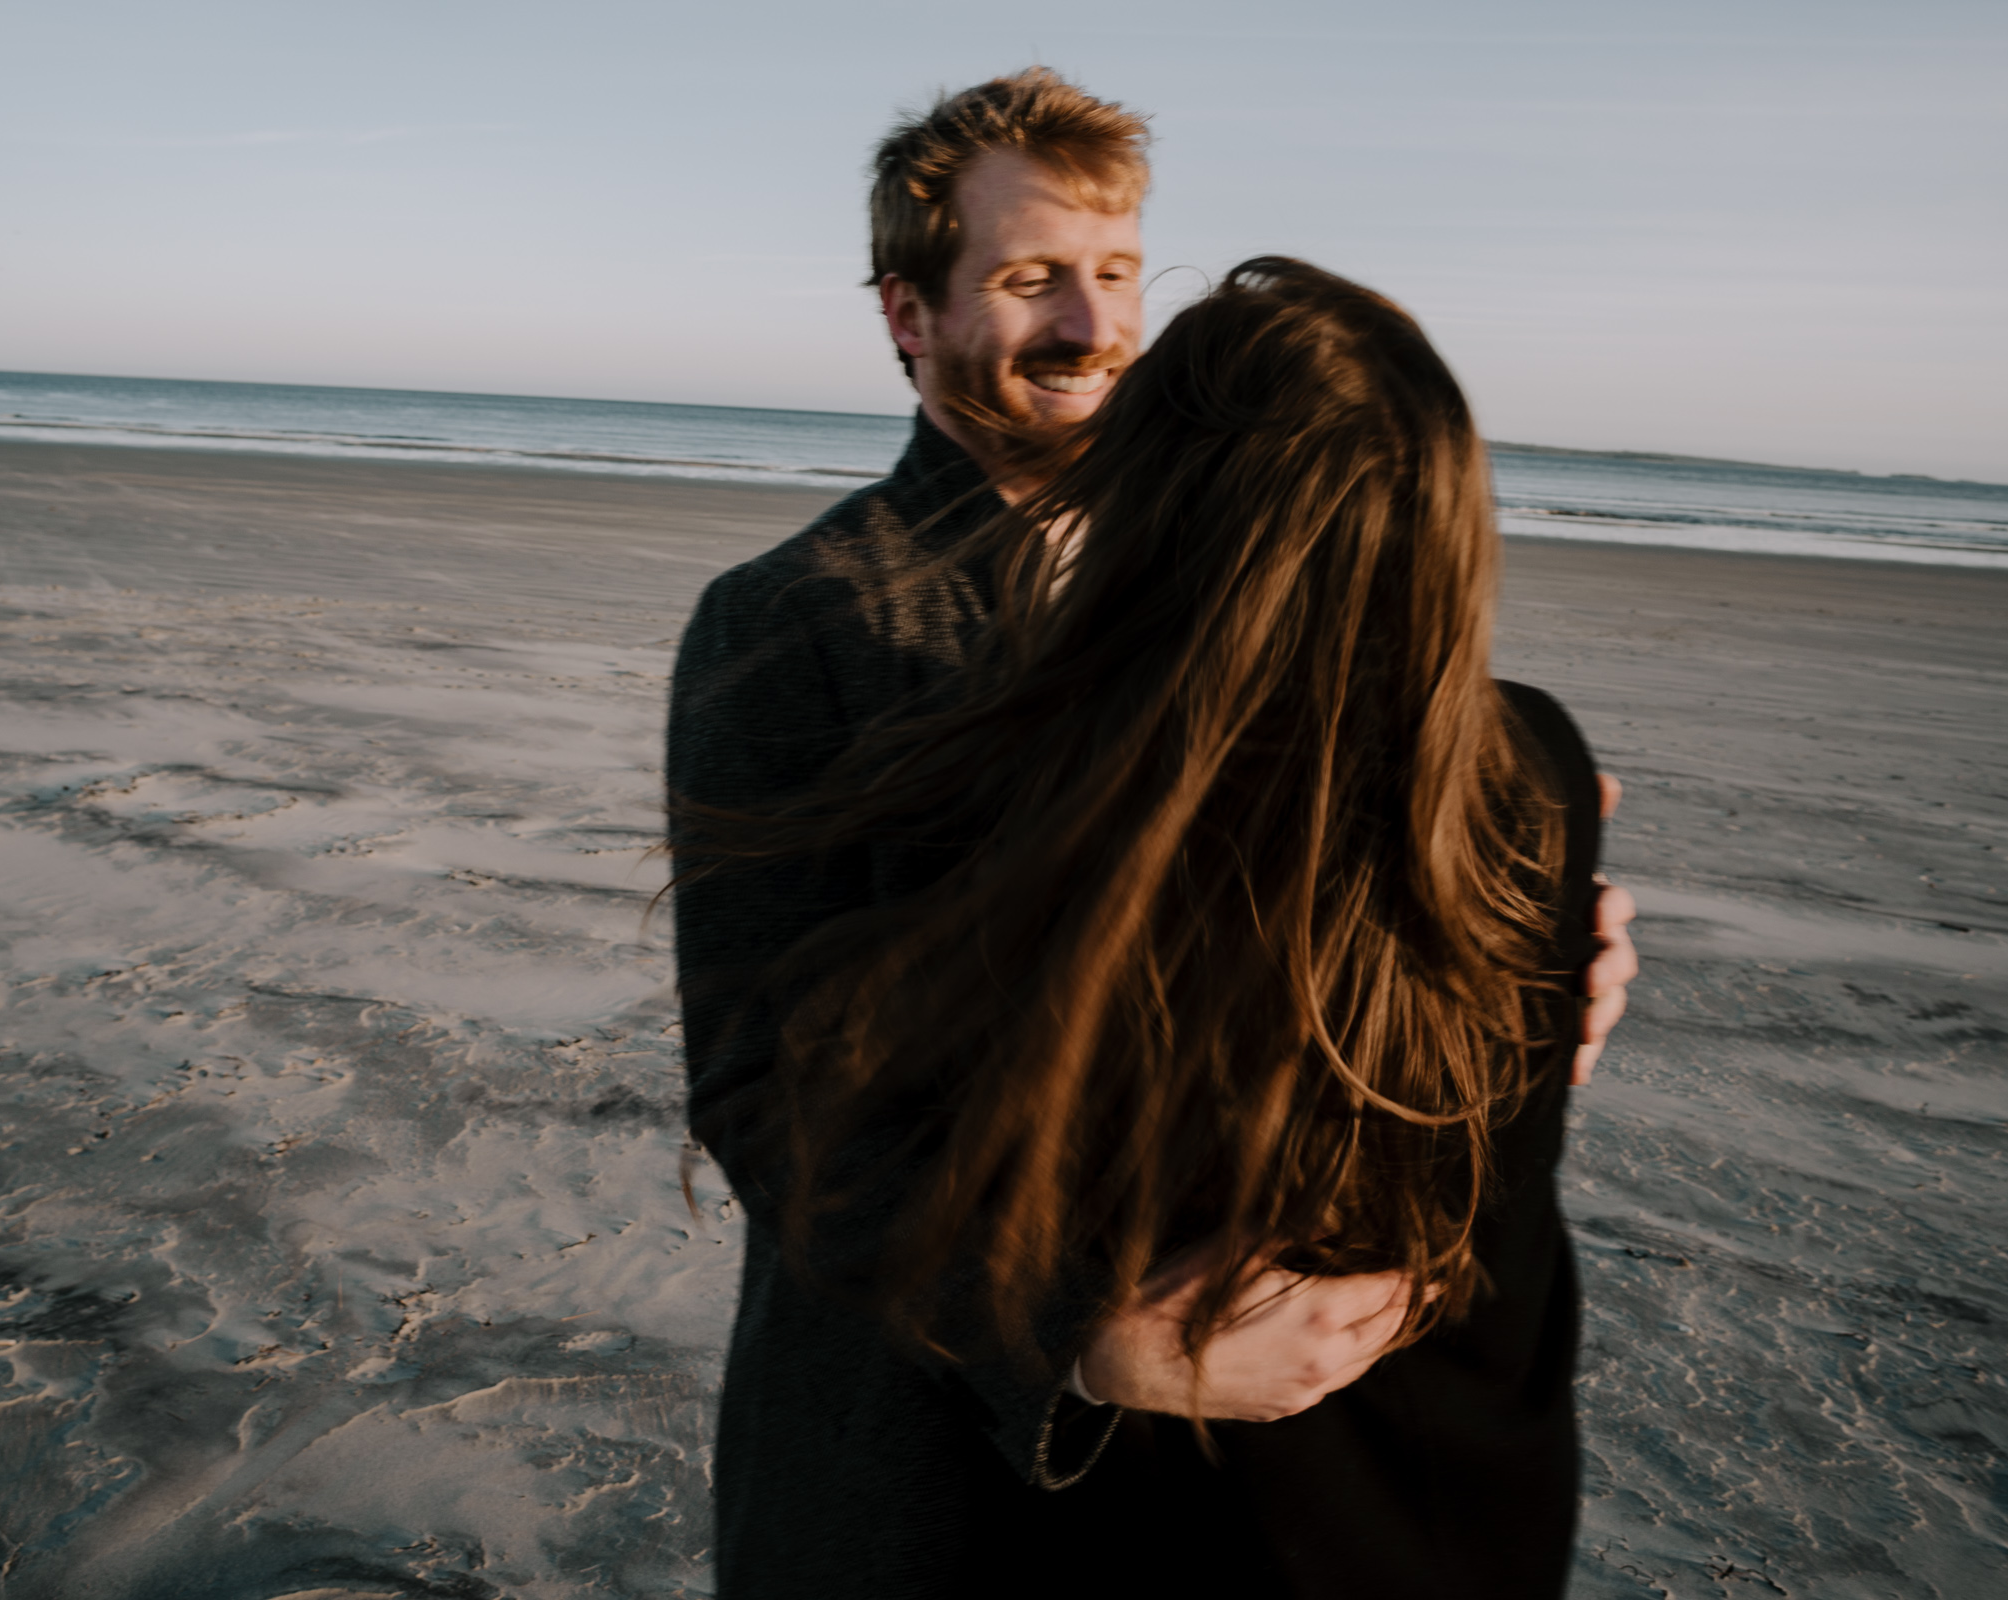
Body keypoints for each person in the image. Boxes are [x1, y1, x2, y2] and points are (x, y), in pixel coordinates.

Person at [666, 71, 1636, 1600]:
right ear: (907, 315)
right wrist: (1078, 1343)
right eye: (1028, 278)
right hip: (914, 1454)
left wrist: (1532, 955)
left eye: (1116, 274)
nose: (1093, 327)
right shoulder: (794, 624)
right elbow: (758, 1094)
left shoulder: (1270, 576)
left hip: (1226, 1510)